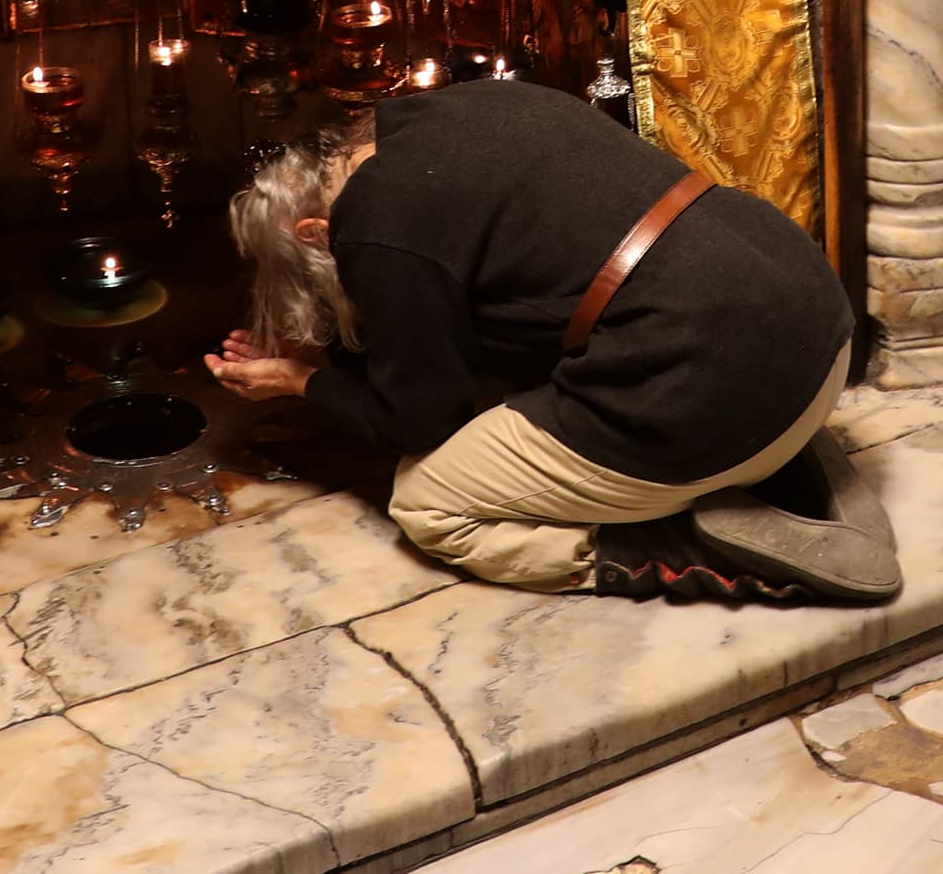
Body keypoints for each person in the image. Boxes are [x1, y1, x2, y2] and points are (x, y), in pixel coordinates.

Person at [209, 80, 899, 603]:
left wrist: (300, 383)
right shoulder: (458, 108)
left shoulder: (373, 224)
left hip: (711, 376)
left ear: (313, 234)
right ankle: (786, 459)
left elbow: (415, 419)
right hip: (815, 330)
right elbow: (510, 307)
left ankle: (685, 544)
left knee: (426, 499)